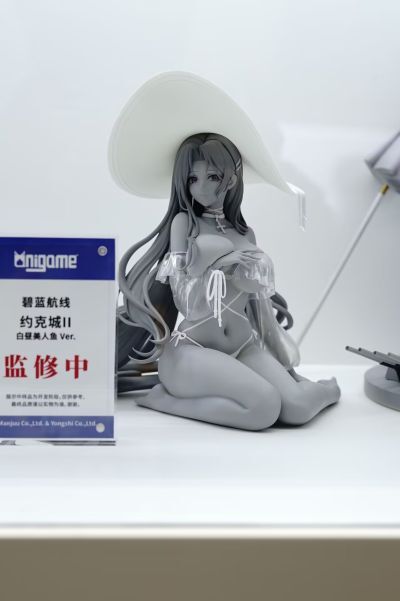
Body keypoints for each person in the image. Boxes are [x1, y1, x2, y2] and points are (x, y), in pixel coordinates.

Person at [110, 72, 340, 430]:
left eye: (213, 177)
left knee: (294, 408)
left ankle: (325, 391)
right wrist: (220, 262)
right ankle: (164, 400)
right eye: (193, 178)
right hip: (192, 350)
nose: (201, 187)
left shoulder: (245, 232)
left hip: (244, 346)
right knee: (263, 407)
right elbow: (186, 299)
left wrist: (284, 364)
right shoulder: (184, 225)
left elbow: (259, 307)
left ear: (231, 178)